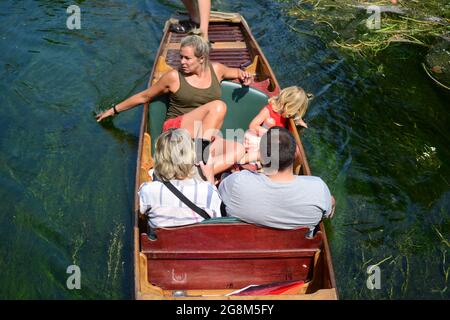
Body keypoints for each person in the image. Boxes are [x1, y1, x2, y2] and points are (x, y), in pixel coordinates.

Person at [96, 31, 251, 174]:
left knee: (238, 149)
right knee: (218, 106)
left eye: (187, 58)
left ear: (201, 58)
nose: (182, 62)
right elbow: (144, 96)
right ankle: (200, 159)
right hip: (176, 132)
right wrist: (113, 110)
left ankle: (196, 173)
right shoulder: (174, 77)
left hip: (203, 136)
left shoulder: (217, 69)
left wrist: (244, 76)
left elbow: (236, 72)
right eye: (180, 56)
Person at [219, 126, 335, 233]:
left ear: (261, 156)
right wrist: (330, 200)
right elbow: (329, 210)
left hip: (245, 249)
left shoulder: (237, 182)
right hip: (295, 254)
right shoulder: (319, 190)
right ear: (295, 154)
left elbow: (219, 192)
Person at [139, 128, 221, 228]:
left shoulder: (148, 190)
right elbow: (215, 225)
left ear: (159, 158)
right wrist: (210, 177)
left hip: (163, 243)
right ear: (191, 156)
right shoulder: (209, 192)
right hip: (196, 242)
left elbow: (140, 214)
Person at [240, 86, 310, 165]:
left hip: (267, 142)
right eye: (295, 111)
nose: (293, 114)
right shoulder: (269, 110)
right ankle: (240, 161)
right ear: (288, 105)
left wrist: (299, 122)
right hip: (256, 138)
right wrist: (271, 134)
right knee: (263, 155)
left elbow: (296, 119)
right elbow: (252, 126)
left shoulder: (287, 116)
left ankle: (256, 164)